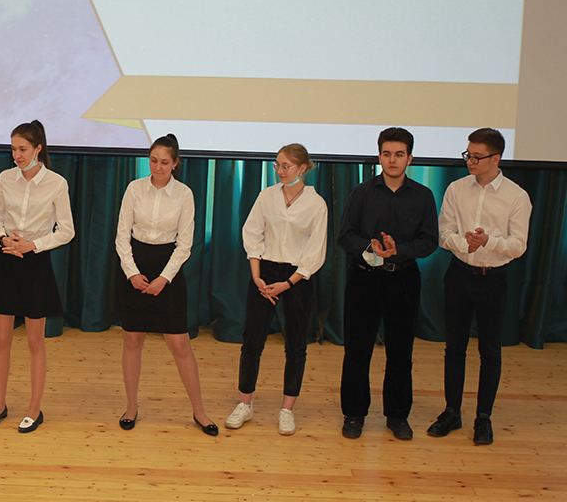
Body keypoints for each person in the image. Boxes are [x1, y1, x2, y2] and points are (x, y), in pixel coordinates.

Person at [427, 128, 531, 445]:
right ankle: (452, 411)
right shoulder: (456, 189)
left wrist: (488, 242)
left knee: (490, 349)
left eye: (476, 156)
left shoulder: (516, 196)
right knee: (454, 347)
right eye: (468, 155)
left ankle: (483, 417)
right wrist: (466, 244)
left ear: (496, 158)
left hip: (494, 278)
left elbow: (519, 245)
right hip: (459, 274)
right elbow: (443, 232)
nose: (470, 161)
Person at [338, 128, 438, 440]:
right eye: (386, 154)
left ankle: (397, 415)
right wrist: (371, 247)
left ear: (410, 158)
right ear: (379, 156)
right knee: (357, 349)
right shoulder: (361, 192)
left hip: (403, 278)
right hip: (364, 277)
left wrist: (399, 250)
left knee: (400, 350)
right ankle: (354, 414)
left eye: (399, 154)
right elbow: (345, 236)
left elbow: (430, 241)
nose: (392, 160)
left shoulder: (423, 196)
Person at [115, 135, 217, 436]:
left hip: (168, 270)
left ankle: (199, 411)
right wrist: (132, 273)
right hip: (135, 266)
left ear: (175, 164)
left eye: (164, 162)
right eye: (153, 161)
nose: (157, 167)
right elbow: (122, 236)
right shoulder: (134, 189)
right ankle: (131, 407)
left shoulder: (184, 194)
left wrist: (164, 278)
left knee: (179, 344)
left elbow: (185, 244)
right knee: (132, 339)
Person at [225, 144, 328, 436]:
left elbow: (315, 252)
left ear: (303, 168)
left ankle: (287, 409)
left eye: (286, 166)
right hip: (264, 272)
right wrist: (257, 276)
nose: (280, 171)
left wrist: (288, 283)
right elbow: (252, 233)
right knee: (252, 340)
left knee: (295, 344)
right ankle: (244, 403)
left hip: (297, 277)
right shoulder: (266, 196)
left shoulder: (316, 204)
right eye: (277, 165)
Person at [0, 120, 74, 433]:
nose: (17, 155)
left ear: (38, 149)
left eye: (22, 149)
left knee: (35, 341)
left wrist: (33, 244)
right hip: (6, 258)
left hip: (35, 262)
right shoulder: (5, 178)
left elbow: (67, 231)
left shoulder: (56, 183)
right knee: (2, 338)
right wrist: (2, 238)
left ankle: (34, 409)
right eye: (13, 149)